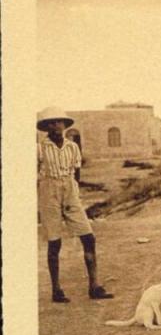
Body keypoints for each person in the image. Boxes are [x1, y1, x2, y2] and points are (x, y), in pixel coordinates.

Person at [37, 106, 114, 303]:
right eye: (51, 123)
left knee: (88, 237)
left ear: (64, 124)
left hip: (70, 190)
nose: (55, 126)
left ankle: (94, 286)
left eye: (59, 122)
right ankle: (56, 290)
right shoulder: (40, 147)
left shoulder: (72, 146)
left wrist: (74, 193)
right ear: (46, 127)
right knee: (55, 242)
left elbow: (76, 173)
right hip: (49, 191)